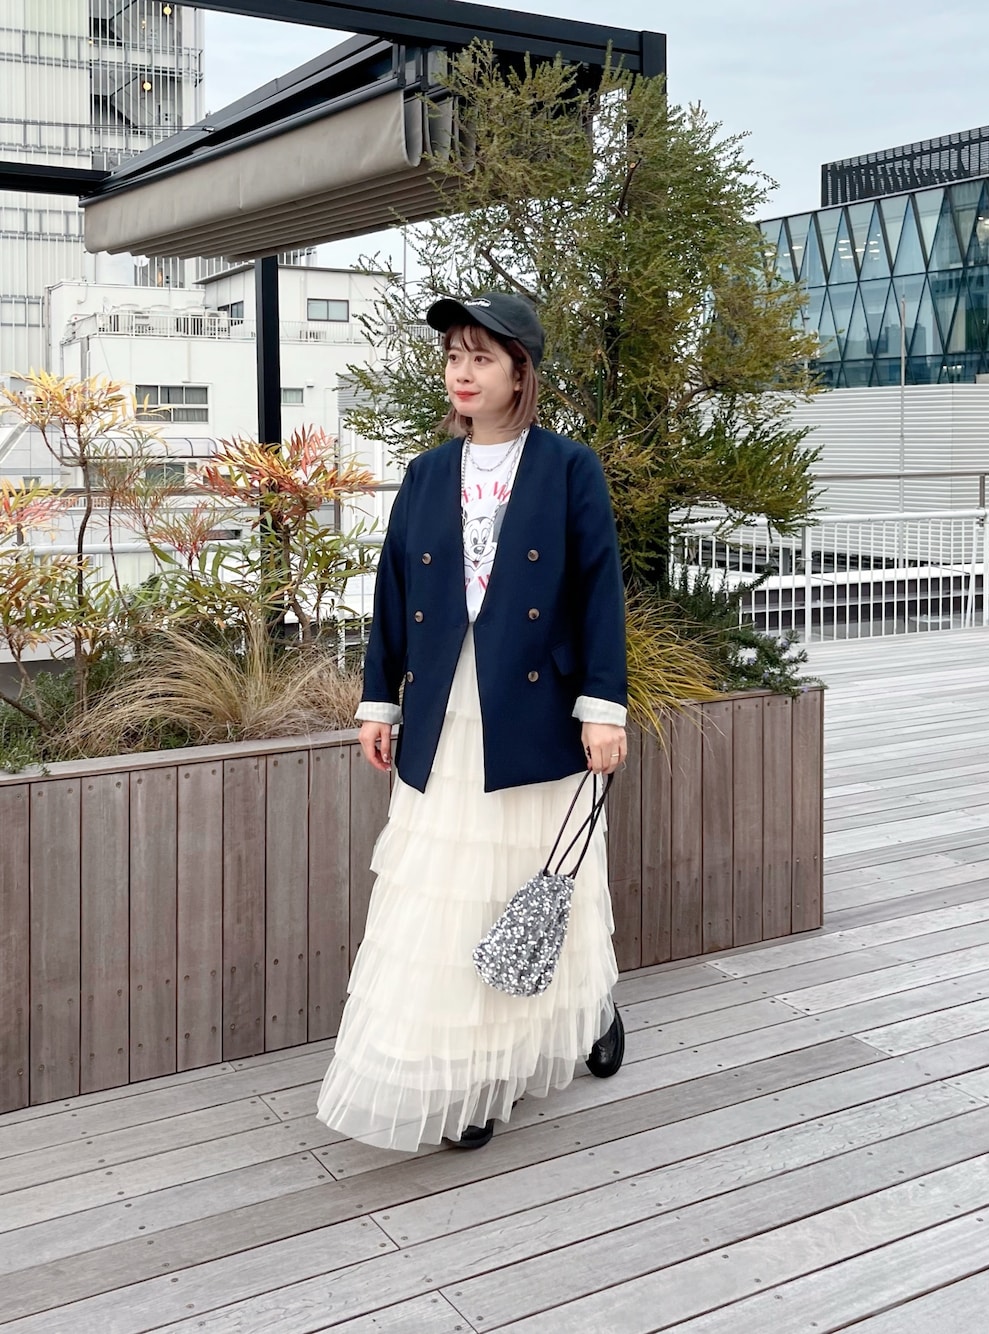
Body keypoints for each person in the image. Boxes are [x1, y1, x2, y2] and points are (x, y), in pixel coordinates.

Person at [316, 291, 628, 1153]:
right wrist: (379, 701)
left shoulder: (568, 468)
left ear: (520, 373)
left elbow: (598, 594)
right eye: (455, 355)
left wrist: (603, 708)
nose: (462, 371)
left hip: (534, 711)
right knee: (446, 889)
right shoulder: (425, 475)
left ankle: (580, 1012)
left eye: (482, 357)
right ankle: (467, 1075)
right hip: (444, 714)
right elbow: (393, 594)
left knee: (534, 880)